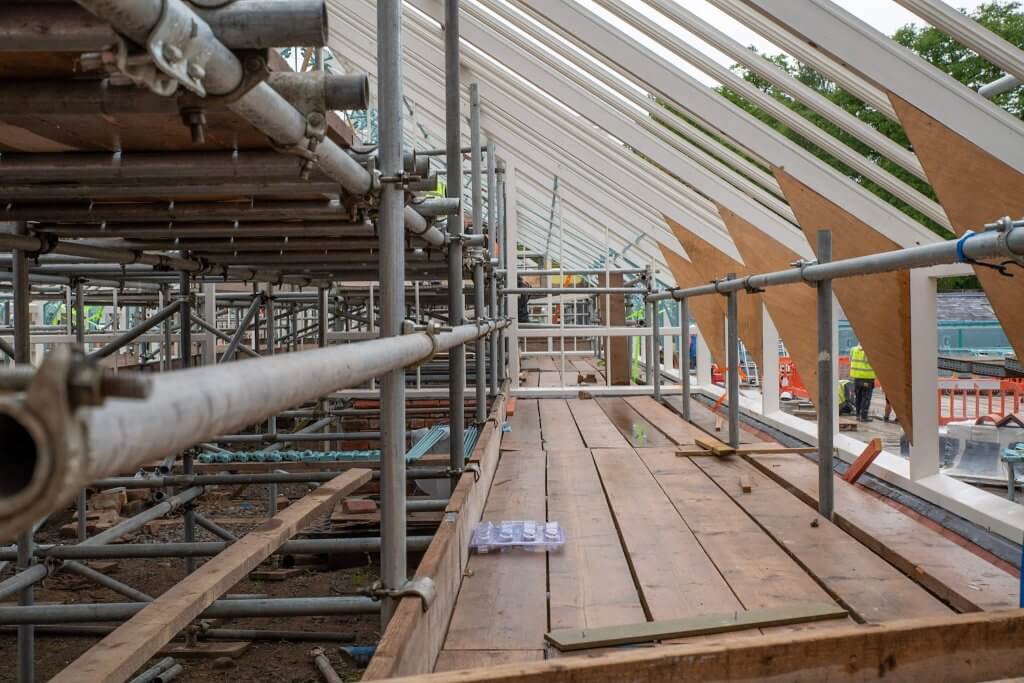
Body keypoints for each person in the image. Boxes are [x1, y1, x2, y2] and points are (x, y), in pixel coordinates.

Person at [849, 344, 876, 422]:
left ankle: (858, 415)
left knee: (858, 397)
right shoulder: (869, 351)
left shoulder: (853, 349)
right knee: (866, 398)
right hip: (867, 378)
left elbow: (850, 360)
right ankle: (864, 416)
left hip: (857, 378)